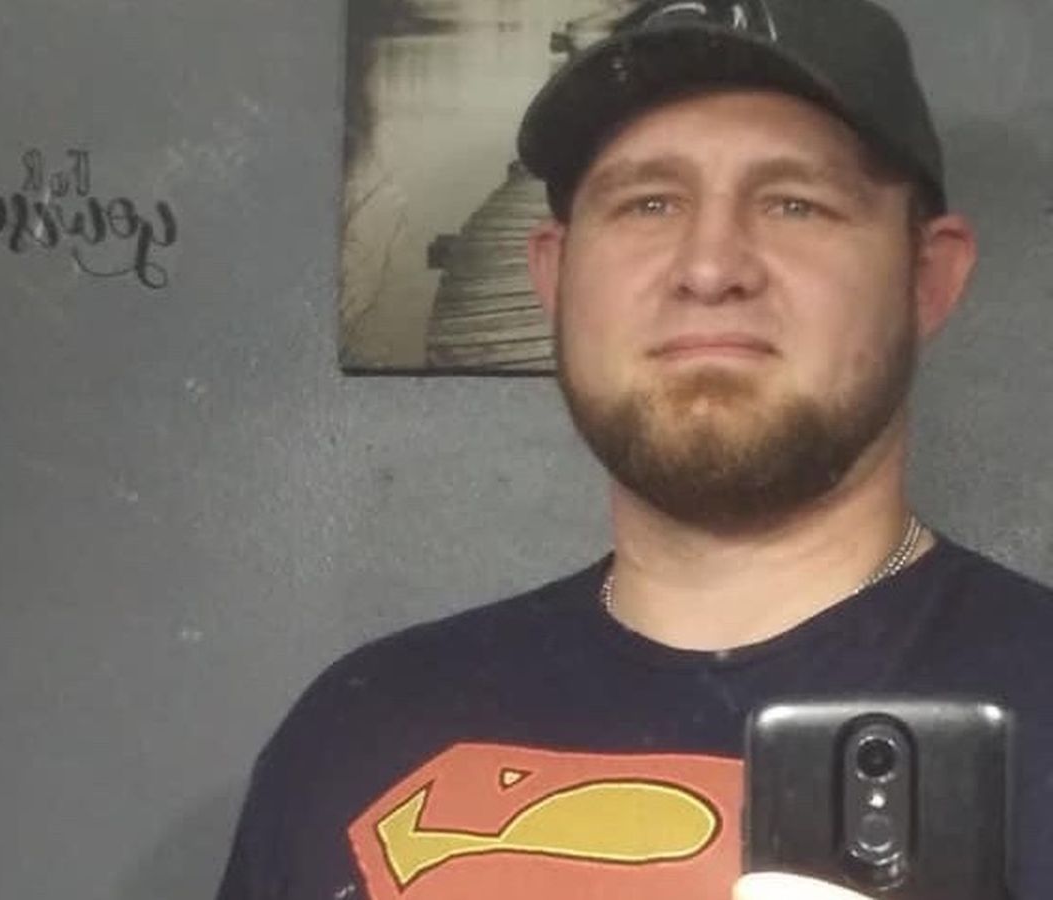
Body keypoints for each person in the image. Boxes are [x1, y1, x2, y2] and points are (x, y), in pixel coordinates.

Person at [217, 1, 1053, 898]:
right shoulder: (355, 736)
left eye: (795, 204)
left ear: (928, 279)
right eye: (648, 203)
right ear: (554, 276)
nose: (711, 266)